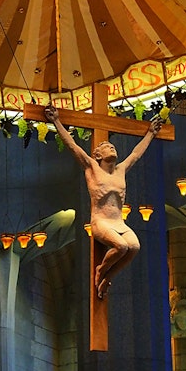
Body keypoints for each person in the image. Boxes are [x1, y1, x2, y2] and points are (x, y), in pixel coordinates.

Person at [45, 103, 163, 299]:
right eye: (107, 146)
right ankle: (101, 270)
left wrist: (150, 133)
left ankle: (108, 276)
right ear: (97, 155)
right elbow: (73, 146)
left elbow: (135, 154)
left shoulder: (121, 170)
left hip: (119, 222)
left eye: (113, 145)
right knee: (122, 247)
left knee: (134, 247)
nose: (112, 147)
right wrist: (56, 121)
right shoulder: (92, 167)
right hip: (100, 221)